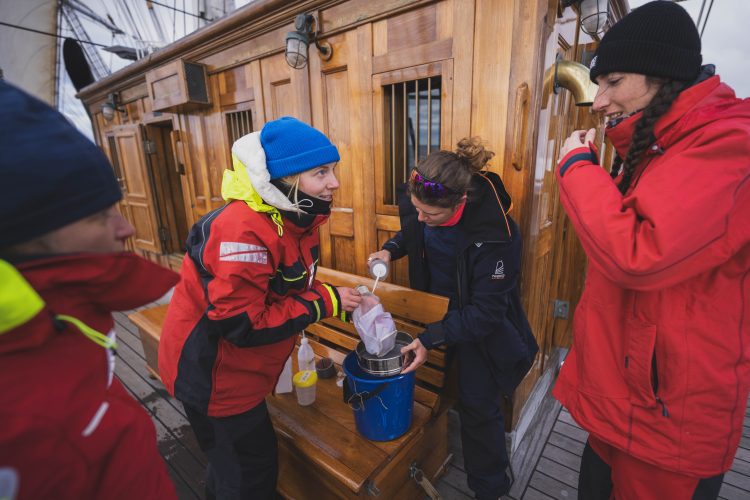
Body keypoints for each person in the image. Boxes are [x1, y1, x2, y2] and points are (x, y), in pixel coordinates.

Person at [553, 2, 750, 499]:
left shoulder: (729, 142)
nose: (599, 101)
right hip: (626, 400)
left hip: (669, 421)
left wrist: (576, 167)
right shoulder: (655, 146)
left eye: (613, 81)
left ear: (664, 76)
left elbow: (638, 253)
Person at [158, 116, 362, 499]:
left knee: (229, 467)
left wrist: (335, 297)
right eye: (321, 172)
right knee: (251, 476)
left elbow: (289, 284)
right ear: (285, 180)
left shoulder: (295, 216)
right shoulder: (244, 230)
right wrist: (325, 303)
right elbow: (242, 325)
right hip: (215, 377)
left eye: (333, 170)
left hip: (243, 372)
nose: (334, 182)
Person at [0, 81, 179, 499]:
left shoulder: (51, 324)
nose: (127, 227)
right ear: (24, 233)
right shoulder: (31, 425)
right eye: (100, 215)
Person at [368, 138, 538, 499]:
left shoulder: (497, 235)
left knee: (479, 405)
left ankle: (490, 487)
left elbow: (487, 313)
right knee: (432, 388)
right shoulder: (424, 209)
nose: (422, 218)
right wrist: (391, 248)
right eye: (417, 209)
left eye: (431, 215)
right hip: (437, 313)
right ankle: (430, 456)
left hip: (478, 325)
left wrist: (431, 338)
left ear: (460, 202)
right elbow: (413, 232)